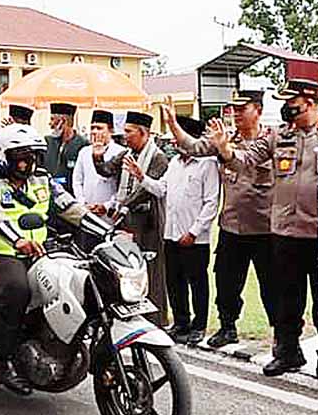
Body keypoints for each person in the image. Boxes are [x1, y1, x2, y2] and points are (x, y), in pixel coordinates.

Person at [196, 79, 318, 381]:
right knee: (287, 297)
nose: (287, 108)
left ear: (309, 101)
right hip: (284, 230)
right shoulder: (278, 136)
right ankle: (287, 352)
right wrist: (224, 149)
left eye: (292, 103)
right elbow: (245, 161)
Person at [0, 124, 113, 395]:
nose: (27, 162)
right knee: (17, 290)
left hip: (43, 252)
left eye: (33, 155)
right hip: (2, 256)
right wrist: (18, 241)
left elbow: (71, 208)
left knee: (79, 280)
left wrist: (108, 230)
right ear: (4, 156)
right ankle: (4, 360)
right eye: (20, 156)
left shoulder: (43, 181)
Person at [168, 91, 278, 348]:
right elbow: (193, 147)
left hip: (264, 227)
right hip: (231, 226)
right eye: (234, 109)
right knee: (226, 283)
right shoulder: (225, 139)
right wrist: (173, 124)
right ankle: (228, 328)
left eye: (243, 109)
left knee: (272, 286)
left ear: (258, 110)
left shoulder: (272, 139)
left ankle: (279, 335)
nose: (237, 113)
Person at [133, 117, 219, 345]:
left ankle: (199, 325)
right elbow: (161, 189)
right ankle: (181, 321)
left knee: (197, 282)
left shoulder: (207, 164)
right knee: (175, 281)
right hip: (171, 234)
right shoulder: (175, 164)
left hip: (194, 238)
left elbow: (211, 203)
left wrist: (194, 232)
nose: (174, 142)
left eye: (178, 137)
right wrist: (142, 177)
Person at [93, 110, 170, 326]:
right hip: (128, 221)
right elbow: (106, 171)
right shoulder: (126, 154)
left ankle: (155, 319)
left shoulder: (158, 157)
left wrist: (123, 205)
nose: (124, 135)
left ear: (143, 133)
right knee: (127, 266)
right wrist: (98, 154)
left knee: (151, 270)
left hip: (149, 221)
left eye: (129, 131)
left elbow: (146, 191)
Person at [72, 110, 126, 212]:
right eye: (92, 128)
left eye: (99, 128)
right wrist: (82, 202)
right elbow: (77, 180)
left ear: (111, 130)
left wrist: (107, 205)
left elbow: (122, 187)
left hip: (109, 211)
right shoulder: (84, 152)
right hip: (86, 209)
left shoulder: (120, 152)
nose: (95, 132)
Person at [43, 103, 89, 193]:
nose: (50, 124)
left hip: (72, 198)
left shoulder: (83, 145)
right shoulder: (46, 142)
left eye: (52, 119)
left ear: (63, 121)